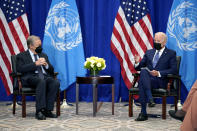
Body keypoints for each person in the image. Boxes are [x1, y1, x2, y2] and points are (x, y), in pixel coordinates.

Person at [134, 32, 177, 121]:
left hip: (160, 81)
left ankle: (143, 113)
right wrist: (137, 62)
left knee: (142, 81)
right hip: (148, 79)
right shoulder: (149, 52)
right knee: (143, 71)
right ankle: (150, 99)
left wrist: (158, 73)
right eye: (155, 40)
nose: (155, 42)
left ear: (164, 42)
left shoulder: (171, 53)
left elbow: (174, 70)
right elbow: (140, 67)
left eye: (158, 41)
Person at [17, 35, 60, 120]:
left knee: (55, 82)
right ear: (31, 46)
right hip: (30, 77)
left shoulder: (43, 55)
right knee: (41, 81)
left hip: (44, 77)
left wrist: (46, 65)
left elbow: (51, 70)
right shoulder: (22, 56)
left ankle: (48, 110)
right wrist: (35, 64)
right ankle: (39, 111)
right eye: (38, 46)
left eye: (40, 46)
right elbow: (20, 69)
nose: (40, 47)